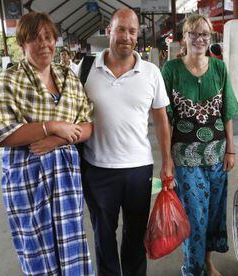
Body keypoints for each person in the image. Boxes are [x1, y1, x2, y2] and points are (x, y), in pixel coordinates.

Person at [0, 12, 94, 275]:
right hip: (28, 177)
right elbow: (0, 133)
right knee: (37, 246)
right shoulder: (9, 81)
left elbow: (87, 126)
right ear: (22, 44)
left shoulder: (69, 79)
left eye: (48, 37)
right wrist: (50, 126)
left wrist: (57, 138)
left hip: (65, 179)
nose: (43, 44)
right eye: (34, 39)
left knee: (70, 243)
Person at [80, 8, 174, 276]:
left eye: (132, 31)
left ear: (137, 35)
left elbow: (161, 120)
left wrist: (167, 162)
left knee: (135, 235)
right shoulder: (86, 68)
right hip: (97, 168)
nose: (126, 36)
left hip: (138, 169)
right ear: (109, 31)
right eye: (121, 29)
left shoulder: (151, 72)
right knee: (103, 236)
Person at [161, 14, 238, 276]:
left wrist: (230, 149)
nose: (199, 39)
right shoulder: (170, 70)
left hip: (217, 156)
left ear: (210, 38)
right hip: (185, 158)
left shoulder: (219, 69)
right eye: (193, 33)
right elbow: (165, 119)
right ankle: (192, 268)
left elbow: (226, 112)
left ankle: (206, 262)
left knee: (213, 213)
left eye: (205, 34)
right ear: (184, 37)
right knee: (194, 217)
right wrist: (167, 160)